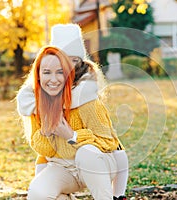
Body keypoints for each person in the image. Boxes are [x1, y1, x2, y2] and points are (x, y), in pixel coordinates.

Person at [17, 24, 128, 200]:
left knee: (86, 153)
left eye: (73, 62)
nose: (69, 68)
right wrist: (45, 132)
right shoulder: (38, 102)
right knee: (38, 193)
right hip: (64, 167)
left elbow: (108, 142)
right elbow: (43, 150)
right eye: (63, 63)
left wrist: (72, 135)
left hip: (99, 164)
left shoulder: (87, 99)